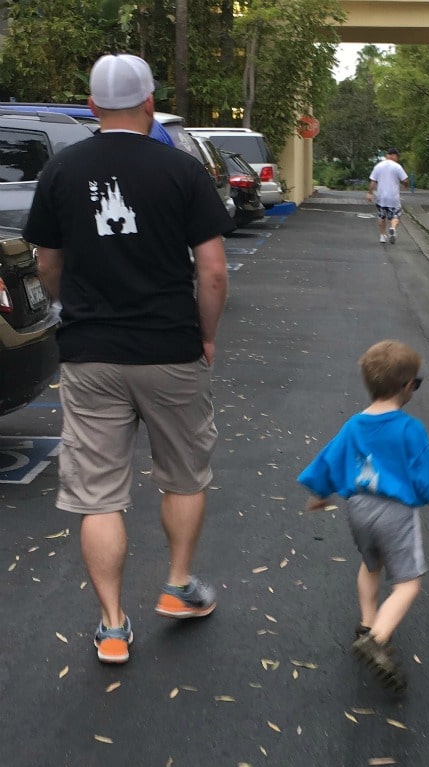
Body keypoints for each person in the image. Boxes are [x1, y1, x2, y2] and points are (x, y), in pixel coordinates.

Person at [23, 53, 234, 665]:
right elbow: (214, 271)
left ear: (91, 107)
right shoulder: (182, 170)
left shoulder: (61, 170)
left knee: (98, 494)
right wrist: (207, 334)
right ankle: (177, 585)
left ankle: (113, 625)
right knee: (184, 474)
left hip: (91, 354)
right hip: (170, 347)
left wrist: (75, 309)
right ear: (148, 104)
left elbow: (46, 264)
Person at [297, 340, 429, 692]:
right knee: (408, 584)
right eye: (415, 384)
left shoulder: (354, 426)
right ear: (406, 387)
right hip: (395, 513)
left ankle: (366, 622)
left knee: (370, 565)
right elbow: (426, 479)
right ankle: (377, 638)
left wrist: (321, 493)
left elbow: (330, 459)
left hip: (358, 509)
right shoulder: (409, 429)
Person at [367, 148, 409, 244]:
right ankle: (393, 228)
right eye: (396, 156)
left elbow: (373, 181)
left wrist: (370, 193)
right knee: (395, 216)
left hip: (381, 197)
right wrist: (405, 184)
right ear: (393, 156)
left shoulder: (378, 166)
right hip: (393, 198)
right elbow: (405, 181)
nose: (397, 158)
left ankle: (382, 236)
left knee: (382, 217)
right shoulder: (397, 167)